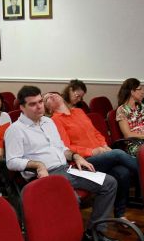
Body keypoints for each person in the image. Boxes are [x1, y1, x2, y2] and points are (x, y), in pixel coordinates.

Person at [5, 85, 120, 241]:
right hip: (44, 176)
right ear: (22, 107)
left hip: (65, 169)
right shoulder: (15, 130)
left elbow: (61, 148)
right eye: (33, 104)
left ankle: (95, 232)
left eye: (40, 102)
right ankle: (72, 237)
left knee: (109, 182)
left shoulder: (48, 122)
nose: (39, 106)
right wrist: (38, 165)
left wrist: (75, 155)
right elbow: (11, 162)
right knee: (71, 199)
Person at [45, 91, 138, 219]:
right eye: (47, 99)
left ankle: (120, 215)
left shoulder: (79, 112)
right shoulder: (55, 120)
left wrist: (104, 146)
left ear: (62, 97)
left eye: (53, 94)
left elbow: (96, 133)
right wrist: (92, 151)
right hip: (84, 160)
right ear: (48, 109)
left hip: (101, 154)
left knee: (123, 172)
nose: (51, 96)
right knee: (117, 153)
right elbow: (67, 147)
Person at [115, 78, 144, 157]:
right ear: (132, 92)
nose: (143, 92)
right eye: (140, 89)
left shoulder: (141, 106)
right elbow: (128, 135)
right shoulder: (122, 110)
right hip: (134, 143)